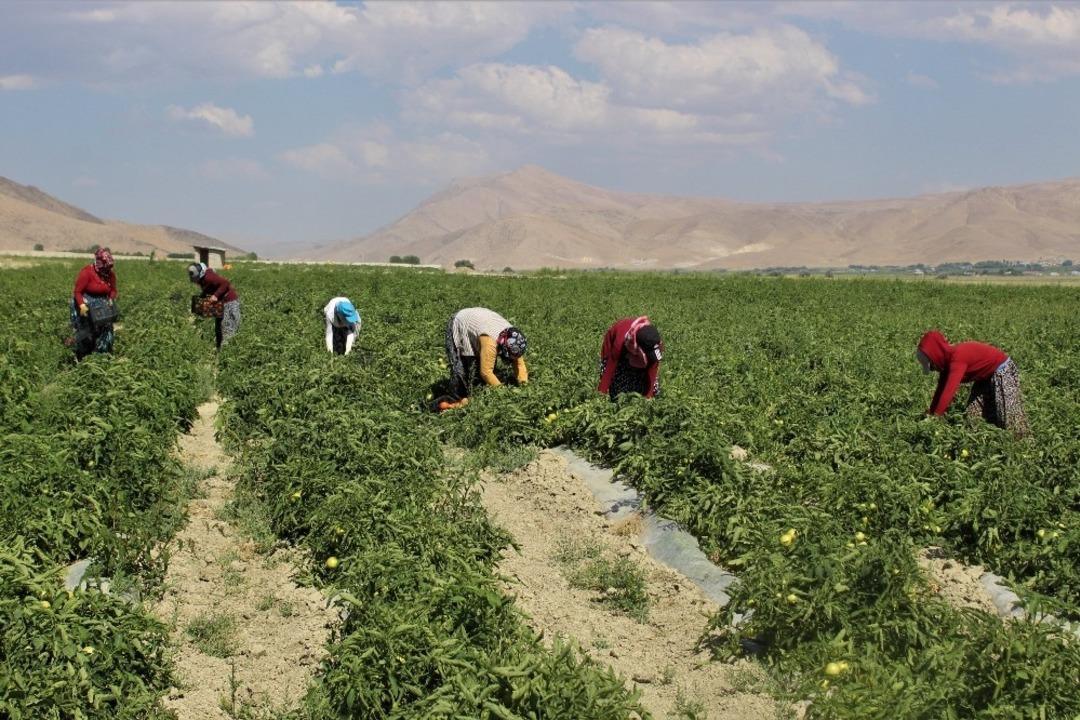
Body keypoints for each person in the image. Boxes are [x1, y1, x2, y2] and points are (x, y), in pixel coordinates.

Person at [916, 330, 1030, 437]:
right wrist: (931, 412)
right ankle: (986, 442)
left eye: (931, 366)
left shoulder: (957, 359)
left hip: (1002, 370)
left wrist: (935, 418)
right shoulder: (946, 366)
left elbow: (949, 393)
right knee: (974, 414)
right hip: (984, 377)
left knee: (1010, 416)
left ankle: (1024, 445)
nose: (932, 370)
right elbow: (940, 390)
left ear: (936, 356)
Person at [439, 307, 528, 410]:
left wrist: (524, 387)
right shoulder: (491, 343)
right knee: (461, 373)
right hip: (460, 322)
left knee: (480, 378)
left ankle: (472, 398)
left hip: (480, 322)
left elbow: (519, 363)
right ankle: (446, 403)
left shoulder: (513, 339)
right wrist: (503, 392)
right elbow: (486, 372)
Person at [598, 316, 664, 400]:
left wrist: (648, 399)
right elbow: (609, 370)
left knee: (652, 389)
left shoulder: (653, 341)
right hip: (614, 352)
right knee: (618, 387)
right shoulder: (620, 343)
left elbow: (652, 372)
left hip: (636, 349)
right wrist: (601, 396)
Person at [70, 247, 118, 359]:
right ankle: (83, 358)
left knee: (106, 329)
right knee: (86, 332)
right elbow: (77, 292)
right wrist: (82, 305)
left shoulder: (110, 274)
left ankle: (102, 357)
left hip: (102, 305)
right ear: (100, 263)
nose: (107, 271)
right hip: (85, 304)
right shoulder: (87, 272)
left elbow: (113, 290)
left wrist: (111, 298)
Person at [187, 262, 240, 349]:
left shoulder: (209, 277)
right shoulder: (202, 279)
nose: (195, 281)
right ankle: (219, 349)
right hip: (220, 303)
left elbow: (225, 283)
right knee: (219, 327)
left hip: (229, 302)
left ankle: (227, 352)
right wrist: (200, 301)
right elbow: (207, 289)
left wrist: (216, 295)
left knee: (228, 327)